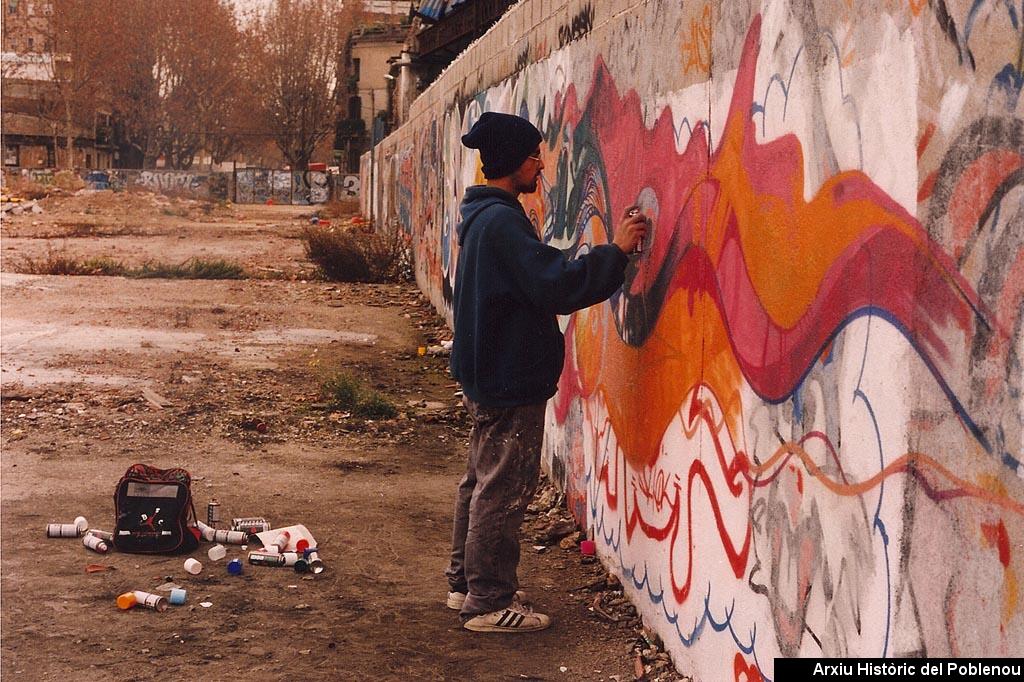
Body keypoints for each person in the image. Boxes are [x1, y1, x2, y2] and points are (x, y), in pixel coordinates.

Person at [445, 112, 647, 632]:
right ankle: (488, 601)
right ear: (516, 160)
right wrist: (616, 252)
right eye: (536, 155)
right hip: (509, 378)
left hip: (490, 373)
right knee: (502, 487)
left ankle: (467, 583)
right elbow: (556, 282)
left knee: (481, 481)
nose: (540, 165)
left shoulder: (484, 217)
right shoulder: (502, 222)